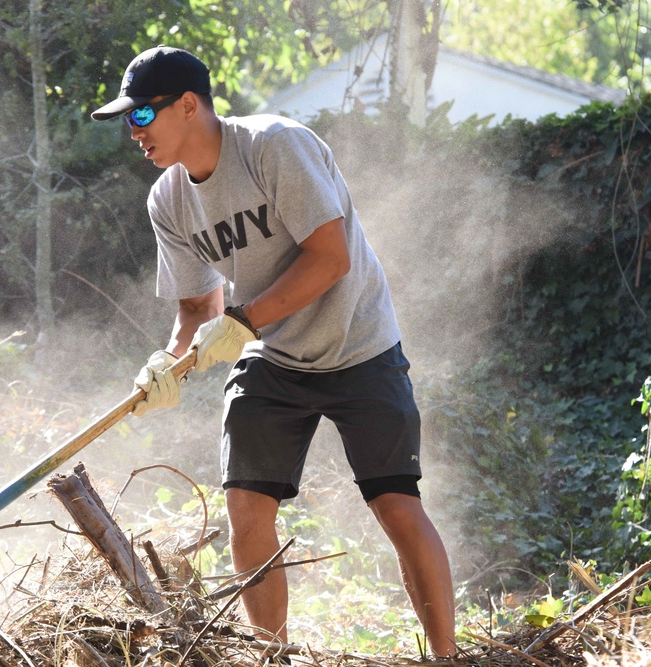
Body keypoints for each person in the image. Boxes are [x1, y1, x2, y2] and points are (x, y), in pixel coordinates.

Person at [91, 45, 456, 657]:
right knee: (247, 509)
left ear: (188, 106)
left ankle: (448, 656)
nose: (133, 132)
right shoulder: (168, 200)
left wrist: (242, 321)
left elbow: (331, 258)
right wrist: (168, 364)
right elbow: (196, 308)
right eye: (127, 121)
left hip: (359, 344)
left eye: (143, 116)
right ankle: (273, 656)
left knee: (395, 503)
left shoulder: (273, 146)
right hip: (273, 356)